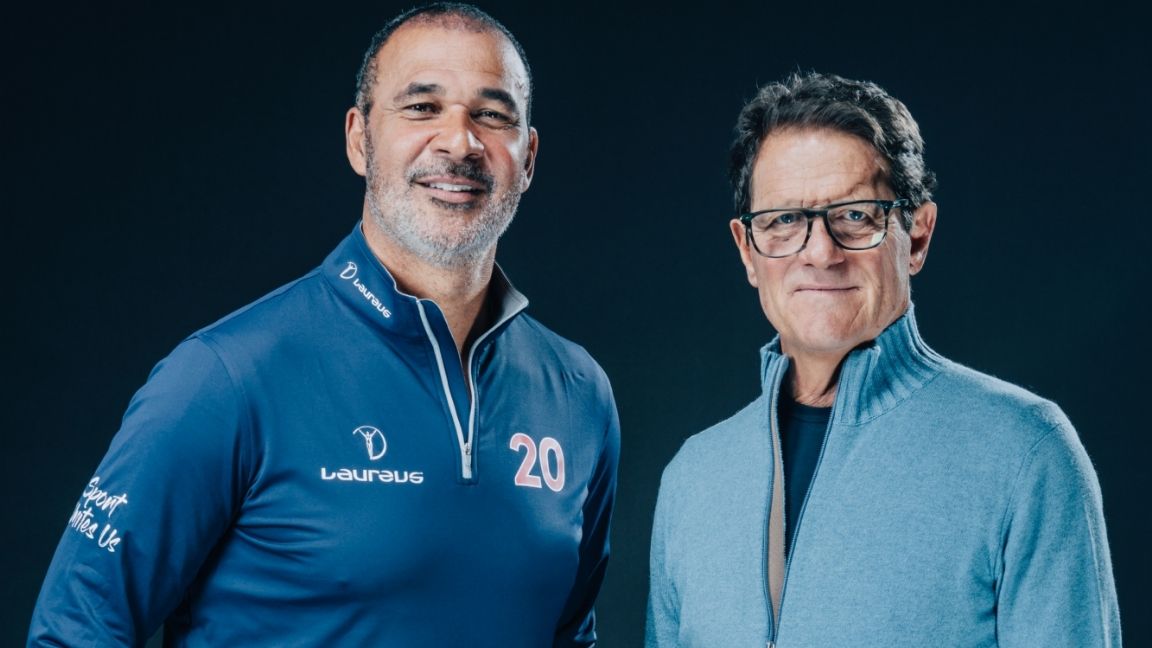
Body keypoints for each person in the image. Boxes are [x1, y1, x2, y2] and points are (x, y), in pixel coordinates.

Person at [29, 4, 619, 646]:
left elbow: (570, 635)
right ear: (359, 140)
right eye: (422, 107)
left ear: (527, 158)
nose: (459, 142)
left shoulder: (578, 394)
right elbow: (74, 632)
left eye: (493, 115)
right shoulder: (225, 378)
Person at [646, 72, 1120, 647]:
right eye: (784, 220)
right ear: (748, 250)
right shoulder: (692, 479)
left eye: (856, 215)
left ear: (916, 236)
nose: (820, 253)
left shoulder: (1025, 453)